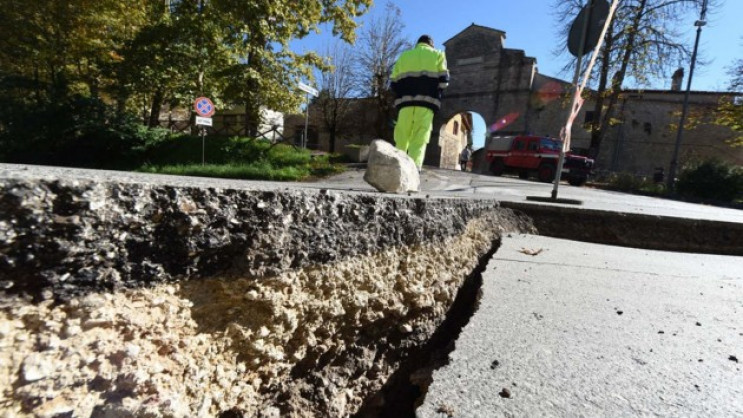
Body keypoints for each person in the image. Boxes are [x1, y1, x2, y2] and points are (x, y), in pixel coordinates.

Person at [390, 35, 449, 171]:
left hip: (405, 104)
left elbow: (393, 83)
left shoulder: (404, 56)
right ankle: (413, 170)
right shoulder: (439, 55)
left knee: (402, 137)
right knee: (419, 138)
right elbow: (444, 81)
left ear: (418, 44)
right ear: (431, 45)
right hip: (426, 104)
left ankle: (397, 169)